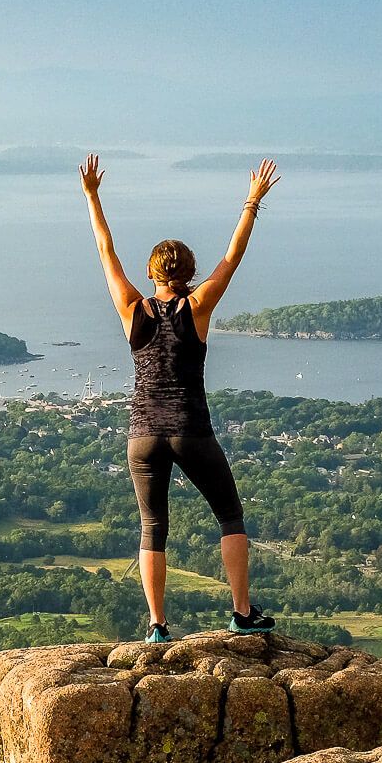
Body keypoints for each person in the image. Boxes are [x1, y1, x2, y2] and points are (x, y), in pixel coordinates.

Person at [79, 153, 280, 643]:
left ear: (152, 274)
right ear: (189, 272)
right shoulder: (197, 306)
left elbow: (107, 253)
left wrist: (92, 197)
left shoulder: (133, 308)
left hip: (143, 433)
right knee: (230, 515)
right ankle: (241, 613)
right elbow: (232, 259)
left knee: (153, 527)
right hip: (190, 429)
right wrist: (252, 201)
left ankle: (157, 625)